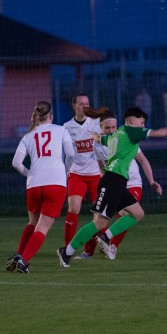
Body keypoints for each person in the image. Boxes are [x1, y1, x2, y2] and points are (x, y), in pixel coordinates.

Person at [57, 107, 167, 268]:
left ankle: (105, 237)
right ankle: (66, 252)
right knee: (99, 223)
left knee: (138, 213)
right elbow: (161, 133)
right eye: (141, 122)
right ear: (132, 121)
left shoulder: (118, 134)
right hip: (112, 181)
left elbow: (101, 140)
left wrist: (96, 137)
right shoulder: (131, 131)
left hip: (118, 182)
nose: (143, 125)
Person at [74, 107, 162, 260]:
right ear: (101, 128)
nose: (111, 130)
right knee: (99, 220)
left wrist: (152, 180)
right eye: (107, 128)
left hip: (132, 183)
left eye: (113, 127)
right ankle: (88, 252)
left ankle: (111, 246)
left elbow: (143, 160)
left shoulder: (126, 137)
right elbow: (102, 170)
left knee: (125, 215)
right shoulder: (98, 145)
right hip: (113, 182)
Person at [6, 101, 75, 273]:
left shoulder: (28, 135)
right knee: (42, 228)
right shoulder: (61, 130)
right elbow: (71, 154)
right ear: (51, 115)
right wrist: (65, 170)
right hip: (55, 183)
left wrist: (29, 173)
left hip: (34, 184)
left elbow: (16, 163)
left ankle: (19, 255)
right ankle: (24, 261)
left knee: (33, 222)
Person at [62, 93, 102, 247]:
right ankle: (67, 248)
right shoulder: (67, 127)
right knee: (73, 208)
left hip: (96, 175)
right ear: (74, 106)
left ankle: (91, 249)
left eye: (87, 103)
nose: (85, 106)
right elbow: (68, 154)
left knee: (98, 213)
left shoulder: (97, 123)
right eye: (81, 104)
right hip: (76, 174)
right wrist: (65, 173)